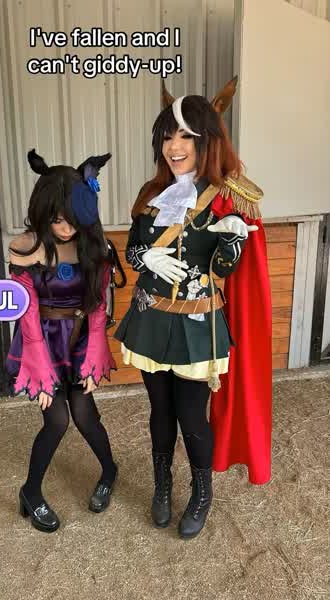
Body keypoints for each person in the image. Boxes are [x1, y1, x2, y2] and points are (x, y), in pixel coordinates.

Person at [114, 78, 272, 539]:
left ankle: (201, 493)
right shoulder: (151, 193)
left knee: (191, 417)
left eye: (185, 135)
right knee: (159, 412)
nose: (174, 146)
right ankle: (162, 485)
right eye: (167, 136)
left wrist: (232, 242)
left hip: (197, 324)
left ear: (206, 141)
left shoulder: (225, 197)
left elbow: (223, 268)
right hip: (150, 319)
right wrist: (147, 258)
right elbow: (133, 251)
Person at [7, 149, 118, 533]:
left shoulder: (94, 244)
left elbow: (98, 305)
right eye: (57, 219)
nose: (66, 227)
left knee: (85, 416)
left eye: (72, 218)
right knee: (56, 421)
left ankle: (109, 470)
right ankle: (30, 492)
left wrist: (95, 352)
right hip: (41, 342)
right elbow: (26, 311)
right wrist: (37, 366)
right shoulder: (26, 247)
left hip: (81, 339)